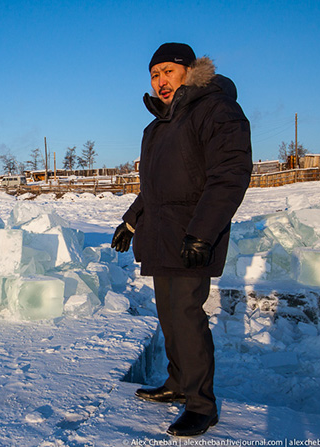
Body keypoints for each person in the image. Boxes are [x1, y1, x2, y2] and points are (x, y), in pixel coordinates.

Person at [111, 42, 252, 437]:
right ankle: (177, 383)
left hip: (192, 236)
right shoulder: (158, 127)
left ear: (190, 71)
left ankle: (202, 405)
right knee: (170, 318)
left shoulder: (217, 110)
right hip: (161, 236)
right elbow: (153, 188)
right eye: (155, 75)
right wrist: (132, 222)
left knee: (188, 319)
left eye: (168, 71)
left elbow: (229, 175)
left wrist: (202, 233)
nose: (160, 81)